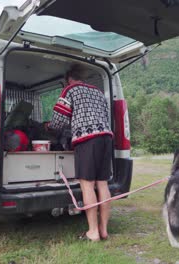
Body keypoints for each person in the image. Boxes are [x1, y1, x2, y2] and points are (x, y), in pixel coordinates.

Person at [47, 64, 113, 241]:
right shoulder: (98, 92)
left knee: (87, 184)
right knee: (102, 184)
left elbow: (58, 120)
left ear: (68, 80)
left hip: (87, 140)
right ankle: (104, 229)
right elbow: (105, 116)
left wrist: (49, 127)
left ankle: (93, 232)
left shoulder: (71, 90)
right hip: (106, 138)